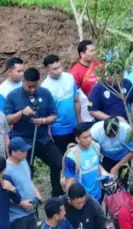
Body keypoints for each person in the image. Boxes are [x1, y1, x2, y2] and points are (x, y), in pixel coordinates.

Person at [4, 68, 63, 197]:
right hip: (23, 141)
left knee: (58, 162)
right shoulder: (13, 96)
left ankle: (57, 192)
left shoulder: (45, 93)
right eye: (29, 87)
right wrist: (21, 113)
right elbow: (6, 120)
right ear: (23, 81)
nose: (32, 89)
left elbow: (54, 115)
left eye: (35, 86)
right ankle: (28, 196)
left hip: (42, 139)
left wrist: (43, 120)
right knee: (26, 171)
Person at [5, 138, 41, 229]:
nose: (26, 153)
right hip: (17, 215)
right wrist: (21, 203)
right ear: (13, 152)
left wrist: (37, 194)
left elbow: (29, 181)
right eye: (22, 151)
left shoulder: (24, 162)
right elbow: (5, 194)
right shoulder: (6, 169)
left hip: (30, 210)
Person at [41, 55, 81, 155]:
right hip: (58, 130)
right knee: (64, 158)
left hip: (74, 126)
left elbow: (76, 100)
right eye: (54, 69)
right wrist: (49, 133)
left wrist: (79, 120)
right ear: (47, 69)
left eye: (60, 67)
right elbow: (45, 114)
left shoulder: (69, 78)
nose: (59, 70)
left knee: (77, 156)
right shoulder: (45, 88)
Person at [91, 117, 133, 184]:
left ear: (118, 129)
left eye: (114, 135)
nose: (111, 137)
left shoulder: (127, 130)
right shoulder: (95, 131)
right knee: (107, 182)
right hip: (106, 157)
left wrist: (117, 167)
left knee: (123, 180)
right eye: (109, 136)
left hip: (123, 157)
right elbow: (92, 149)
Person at [62, 123, 106, 201]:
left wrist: (108, 176)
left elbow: (98, 165)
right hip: (82, 198)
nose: (89, 139)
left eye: (90, 136)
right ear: (77, 139)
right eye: (85, 137)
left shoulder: (96, 147)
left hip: (97, 193)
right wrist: (69, 198)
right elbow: (69, 180)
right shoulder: (71, 157)